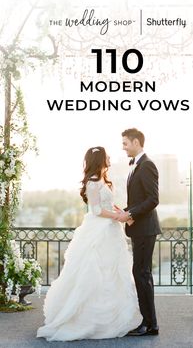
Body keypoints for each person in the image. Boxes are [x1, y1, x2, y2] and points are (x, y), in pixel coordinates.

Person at [37, 146, 141, 341]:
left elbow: (108, 205)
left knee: (110, 272)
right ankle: (87, 320)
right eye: (107, 155)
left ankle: (109, 318)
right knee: (94, 271)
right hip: (98, 230)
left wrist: (123, 213)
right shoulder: (92, 183)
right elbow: (96, 211)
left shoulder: (104, 180)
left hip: (110, 231)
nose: (110, 157)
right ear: (101, 159)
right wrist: (120, 217)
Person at [116, 128, 161, 336]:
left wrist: (131, 213)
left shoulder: (147, 165)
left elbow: (153, 199)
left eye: (125, 143)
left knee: (142, 274)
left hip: (145, 229)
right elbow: (139, 200)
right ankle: (149, 322)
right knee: (141, 273)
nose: (123, 147)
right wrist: (125, 212)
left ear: (136, 142)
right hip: (139, 229)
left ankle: (150, 324)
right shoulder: (137, 166)